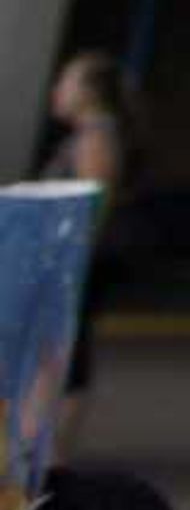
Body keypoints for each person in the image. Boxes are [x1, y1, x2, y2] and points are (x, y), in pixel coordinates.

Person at [34, 51, 129, 458]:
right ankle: (43, 453)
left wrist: (65, 262)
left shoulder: (96, 137)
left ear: (89, 92)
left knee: (64, 358)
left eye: (66, 82)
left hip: (74, 263)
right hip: (68, 260)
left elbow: (93, 204)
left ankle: (54, 457)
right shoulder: (89, 135)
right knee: (54, 355)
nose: (58, 91)